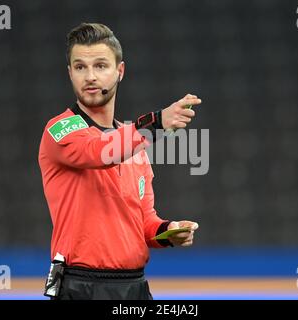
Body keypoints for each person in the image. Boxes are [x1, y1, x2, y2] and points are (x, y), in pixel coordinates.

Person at [38, 22, 202, 300]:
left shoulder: (135, 147)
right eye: (80, 67)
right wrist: (158, 123)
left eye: (100, 65)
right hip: (80, 286)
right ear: (70, 74)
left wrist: (167, 232)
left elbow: (144, 222)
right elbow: (99, 151)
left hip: (135, 287)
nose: (90, 76)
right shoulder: (59, 130)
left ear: (120, 71)